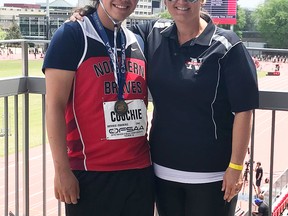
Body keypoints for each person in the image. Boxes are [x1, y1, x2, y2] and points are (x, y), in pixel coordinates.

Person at [71, 0, 259, 215]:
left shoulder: (228, 45)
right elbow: (110, 22)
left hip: (212, 175)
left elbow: (244, 110)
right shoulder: (152, 33)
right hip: (162, 171)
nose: (181, 2)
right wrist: (84, 17)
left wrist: (236, 166)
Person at [42, 0, 155, 215]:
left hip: (139, 172)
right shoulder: (72, 35)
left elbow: (187, 19)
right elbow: (54, 106)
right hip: (90, 173)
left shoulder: (138, 39)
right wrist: (61, 170)